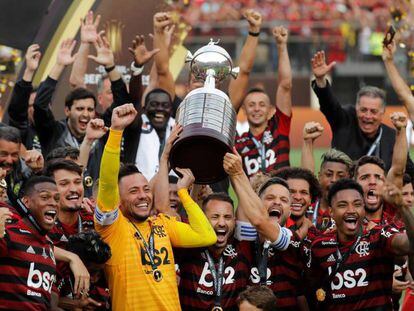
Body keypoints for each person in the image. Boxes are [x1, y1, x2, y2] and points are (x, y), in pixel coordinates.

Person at [94, 104, 216, 310]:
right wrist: (116, 132)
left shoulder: (163, 224)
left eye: (145, 189)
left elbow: (206, 236)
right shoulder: (112, 229)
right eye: (133, 191)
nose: (143, 195)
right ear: (119, 200)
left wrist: (183, 194)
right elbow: (107, 183)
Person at [309, 178, 414, 310]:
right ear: (331, 212)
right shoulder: (319, 246)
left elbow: (410, 245)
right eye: (343, 205)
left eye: (357, 204)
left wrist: (402, 206)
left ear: (363, 209)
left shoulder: (379, 235)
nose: (351, 210)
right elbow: (314, 292)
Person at [224, 151, 309, 310]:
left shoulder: (293, 241)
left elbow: (259, 220)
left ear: (290, 211)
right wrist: (234, 172)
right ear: (258, 204)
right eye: (270, 198)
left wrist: (238, 172)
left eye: (284, 200)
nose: (277, 202)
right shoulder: (247, 238)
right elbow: (248, 211)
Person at [310, 50, 414, 173]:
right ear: (356, 108)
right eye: (363, 110)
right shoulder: (344, 121)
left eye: (373, 111)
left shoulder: (391, 138)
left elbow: (408, 172)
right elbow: (329, 105)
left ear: (382, 113)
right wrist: (321, 80)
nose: (368, 116)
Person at [0, 176, 89, 310]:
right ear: (26, 202)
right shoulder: (8, 234)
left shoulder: (49, 247)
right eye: (45, 197)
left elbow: (49, 302)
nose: (53, 203)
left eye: (57, 199)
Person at [175, 193, 253, 311]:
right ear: (202, 220)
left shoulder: (243, 248)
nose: (222, 223)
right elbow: (164, 210)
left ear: (234, 221)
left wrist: (236, 174)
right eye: (215, 217)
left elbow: (246, 201)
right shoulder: (189, 247)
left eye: (227, 217)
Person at [235, 26, 292, 178]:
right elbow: (242, 73)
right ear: (244, 110)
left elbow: (285, 85)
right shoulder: (239, 144)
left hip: (281, 198)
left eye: (262, 105)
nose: (256, 109)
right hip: (252, 201)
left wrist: (281, 46)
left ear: (270, 110)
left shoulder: (279, 128)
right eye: (251, 105)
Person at [33, 39, 97, 156]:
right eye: (80, 109)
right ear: (67, 111)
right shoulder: (53, 132)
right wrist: (59, 65)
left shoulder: (99, 134)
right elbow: (40, 105)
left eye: (90, 109)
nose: (86, 114)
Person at [301, 121, 353, 230]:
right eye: (329, 174)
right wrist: (308, 141)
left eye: (340, 176)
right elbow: (306, 178)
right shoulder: (308, 204)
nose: (334, 180)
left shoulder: (353, 211)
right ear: (319, 177)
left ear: (349, 180)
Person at [59, 231, 112, 310]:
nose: (95, 279)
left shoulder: (104, 293)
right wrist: (74, 304)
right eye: (92, 272)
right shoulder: (58, 271)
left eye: (100, 273)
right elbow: (47, 300)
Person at [7, 44, 41, 151]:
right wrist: (29, 71)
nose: (36, 109)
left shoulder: (58, 131)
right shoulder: (23, 132)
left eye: (40, 104)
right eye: (32, 106)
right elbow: (17, 113)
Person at [0, 126, 44, 199]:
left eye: (14, 155)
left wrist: (37, 172)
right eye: (3, 154)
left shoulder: (24, 171)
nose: (9, 160)